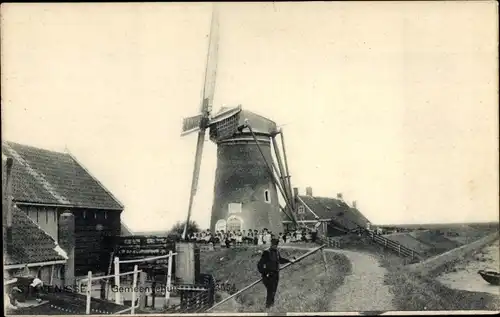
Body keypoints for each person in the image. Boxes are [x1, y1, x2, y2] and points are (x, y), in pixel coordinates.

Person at [257, 238, 295, 308]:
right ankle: (268, 307)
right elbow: (260, 265)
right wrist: (265, 273)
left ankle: (271, 306)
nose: (274, 246)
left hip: (275, 275)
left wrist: (289, 260)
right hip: (268, 276)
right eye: (273, 245)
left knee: (273, 292)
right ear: (271, 244)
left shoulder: (277, 252)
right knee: (270, 291)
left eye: (276, 245)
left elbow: (280, 260)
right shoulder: (267, 252)